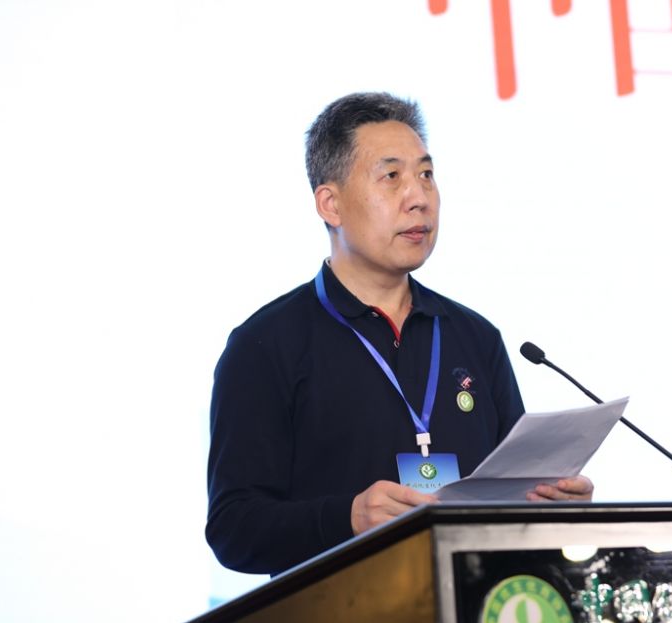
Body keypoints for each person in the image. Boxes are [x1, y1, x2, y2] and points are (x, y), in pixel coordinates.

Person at [205, 92, 593, 575]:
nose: (419, 198)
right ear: (331, 204)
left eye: (426, 175)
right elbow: (233, 528)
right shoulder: (266, 345)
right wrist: (346, 518)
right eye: (392, 177)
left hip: (472, 607)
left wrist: (551, 506)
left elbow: (511, 495)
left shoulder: (474, 337)